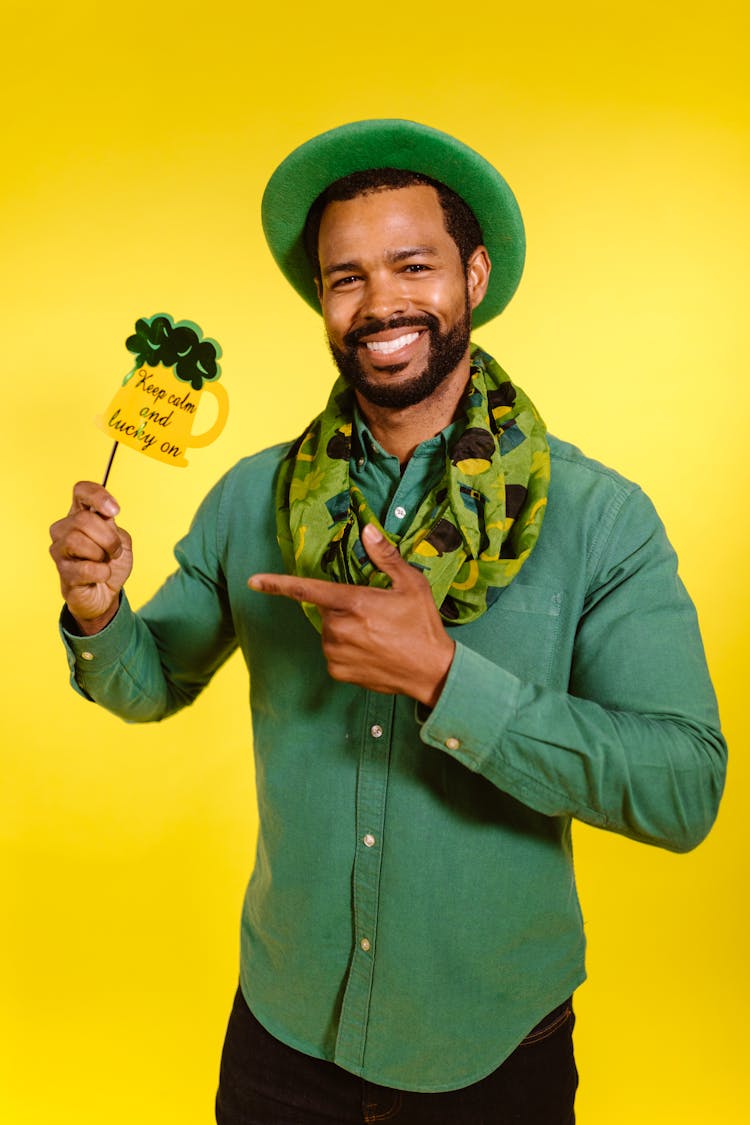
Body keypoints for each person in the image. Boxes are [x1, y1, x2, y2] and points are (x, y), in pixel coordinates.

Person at [49, 119, 727, 1125]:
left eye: (414, 265)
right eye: (347, 278)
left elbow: (683, 790)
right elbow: (150, 681)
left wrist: (449, 680)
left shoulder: (599, 517)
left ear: (475, 275)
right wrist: (98, 609)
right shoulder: (251, 499)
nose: (381, 303)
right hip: (282, 1039)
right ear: (323, 300)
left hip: (494, 1053)